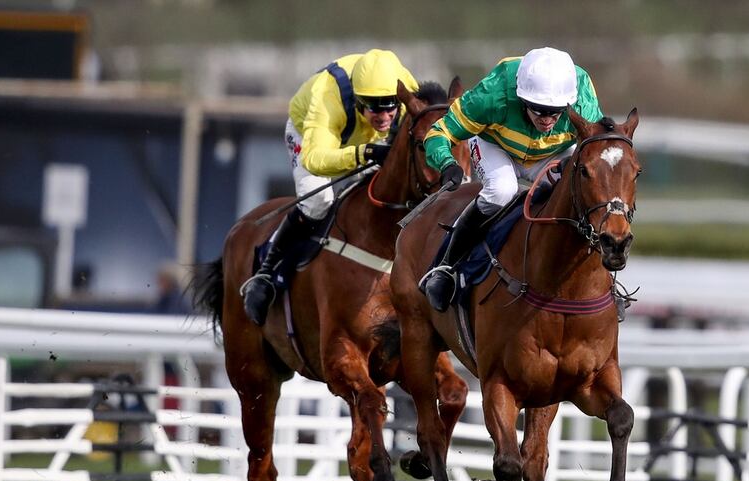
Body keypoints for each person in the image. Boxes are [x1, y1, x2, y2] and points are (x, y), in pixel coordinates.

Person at [419, 47, 605, 312]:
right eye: (539, 110)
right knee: (501, 191)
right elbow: (439, 132)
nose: (547, 120)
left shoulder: (582, 97)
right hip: (496, 146)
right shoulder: (493, 94)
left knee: (580, 191)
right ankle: (445, 266)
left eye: (555, 111)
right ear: (521, 97)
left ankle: (605, 281)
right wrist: (447, 163)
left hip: (554, 152)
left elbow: (598, 149)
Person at [242, 49, 419, 325]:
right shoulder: (328, 98)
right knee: (318, 202)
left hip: (366, 138)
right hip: (311, 136)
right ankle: (266, 272)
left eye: (390, 105)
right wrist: (364, 153)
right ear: (358, 101)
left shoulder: (406, 87)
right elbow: (315, 160)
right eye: (375, 107)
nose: (385, 115)